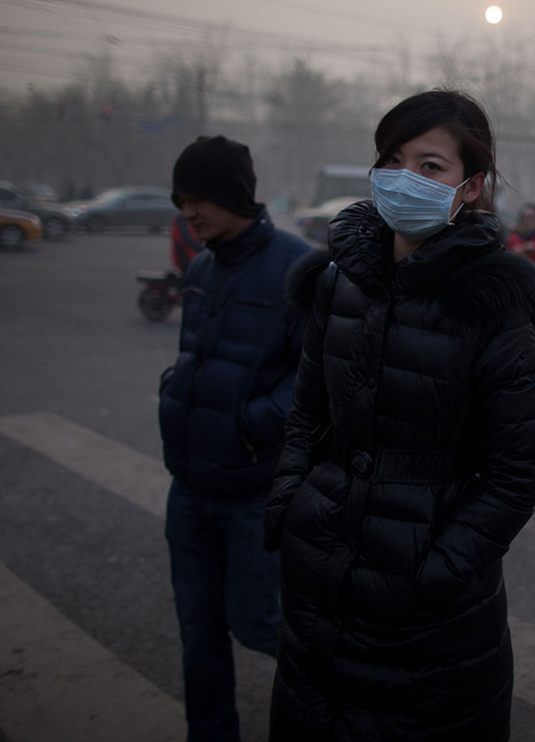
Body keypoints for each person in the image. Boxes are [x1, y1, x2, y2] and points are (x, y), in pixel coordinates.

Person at [264, 90, 535, 740]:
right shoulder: (337, 283)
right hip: (318, 588)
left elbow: (515, 475)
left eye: (429, 167)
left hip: (430, 627)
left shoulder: (492, 304)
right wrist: (290, 505)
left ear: (470, 187)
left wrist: (433, 575)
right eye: (392, 161)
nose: (403, 180)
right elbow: (307, 416)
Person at [158, 134, 312, 741]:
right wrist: (175, 392)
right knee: (198, 636)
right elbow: (194, 356)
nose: (188, 212)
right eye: (180, 200)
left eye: (199, 199)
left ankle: (337, 711)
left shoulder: (296, 266)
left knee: (260, 624)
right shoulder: (199, 266)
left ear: (235, 196)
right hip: (189, 488)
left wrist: (255, 425)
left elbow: (317, 375)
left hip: (252, 493)